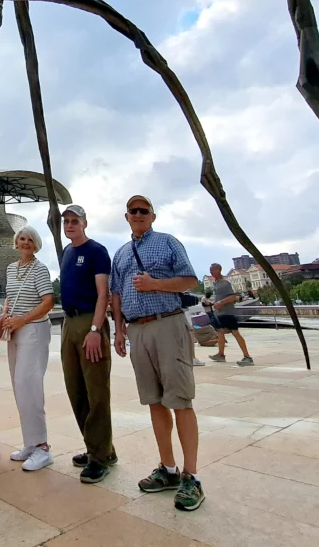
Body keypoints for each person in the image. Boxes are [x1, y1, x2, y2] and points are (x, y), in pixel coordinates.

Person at [110, 195, 204, 511]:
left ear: (152, 216)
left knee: (180, 400)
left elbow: (190, 279)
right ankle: (168, 469)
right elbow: (116, 293)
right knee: (153, 400)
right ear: (126, 217)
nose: (138, 215)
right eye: (133, 211)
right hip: (137, 329)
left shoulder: (168, 243)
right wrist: (119, 330)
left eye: (143, 211)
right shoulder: (121, 253)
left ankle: (192, 476)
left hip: (168, 324)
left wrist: (155, 284)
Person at [58, 204, 116, 483]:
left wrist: (96, 329)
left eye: (74, 221)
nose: (69, 225)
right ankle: (99, 447)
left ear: (84, 223)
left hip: (89, 323)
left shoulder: (96, 251)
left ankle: (100, 457)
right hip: (68, 324)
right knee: (75, 389)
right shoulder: (68, 252)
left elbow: (102, 294)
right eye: (66, 221)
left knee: (96, 391)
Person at [0, 225, 55, 471]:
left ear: (36, 243)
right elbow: (11, 297)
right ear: (16, 242)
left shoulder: (40, 269)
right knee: (19, 386)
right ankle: (30, 443)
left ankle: (42, 447)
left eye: (29, 239)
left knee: (29, 384)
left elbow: (48, 302)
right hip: (15, 331)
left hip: (34, 330)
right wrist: (5, 315)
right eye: (21, 238)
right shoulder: (12, 268)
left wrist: (23, 319)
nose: (25, 242)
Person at [207, 263, 254, 366]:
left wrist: (220, 303)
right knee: (220, 332)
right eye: (210, 270)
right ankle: (220, 354)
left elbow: (233, 297)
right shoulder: (216, 283)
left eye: (212, 270)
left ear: (218, 270)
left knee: (235, 333)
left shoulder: (225, 283)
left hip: (228, 313)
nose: (210, 272)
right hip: (221, 313)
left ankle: (247, 357)